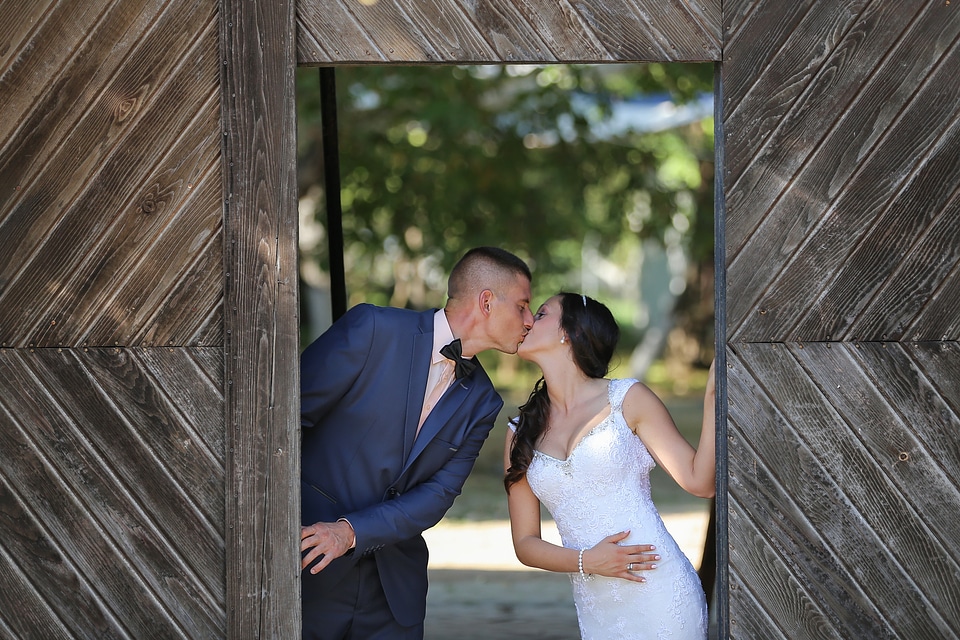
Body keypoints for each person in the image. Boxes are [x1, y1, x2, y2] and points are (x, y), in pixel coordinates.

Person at [300, 246, 534, 639]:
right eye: (524, 306)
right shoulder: (373, 329)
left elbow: (439, 494)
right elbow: (284, 423)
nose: (529, 320)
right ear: (487, 302)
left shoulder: (484, 400)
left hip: (394, 593)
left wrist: (351, 531)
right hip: (309, 567)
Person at [504, 292, 716, 639]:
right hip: (597, 608)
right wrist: (587, 561)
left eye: (540, 314)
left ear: (567, 333)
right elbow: (525, 543)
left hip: (660, 591)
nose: (527, 321)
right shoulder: (520, 432)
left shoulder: (628, 399)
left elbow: (699, 481)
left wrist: (711, 399)